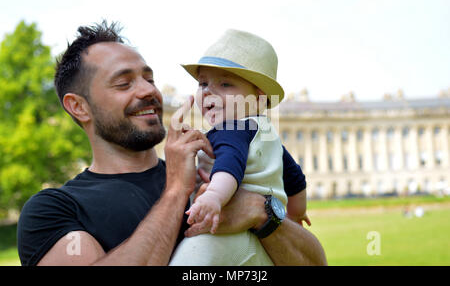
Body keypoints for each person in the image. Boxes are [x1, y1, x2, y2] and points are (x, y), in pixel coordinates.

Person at [16, 21, 327, 266]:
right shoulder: (53, 210)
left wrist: (264, 215)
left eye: (149, 79)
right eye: (124, 83)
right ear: (78, 107)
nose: (147, 91)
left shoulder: (218, 177)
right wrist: (177, 190)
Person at [169, 29, 310, 266]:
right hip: (263, 241)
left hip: (224, 235)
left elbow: (229, 166)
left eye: (225, 84)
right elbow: (295, 178)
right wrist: (297, 213)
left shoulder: (229, 129)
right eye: (202, 83)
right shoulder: (266, 134)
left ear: (258, 98)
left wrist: (213, 196)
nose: (208, 92)